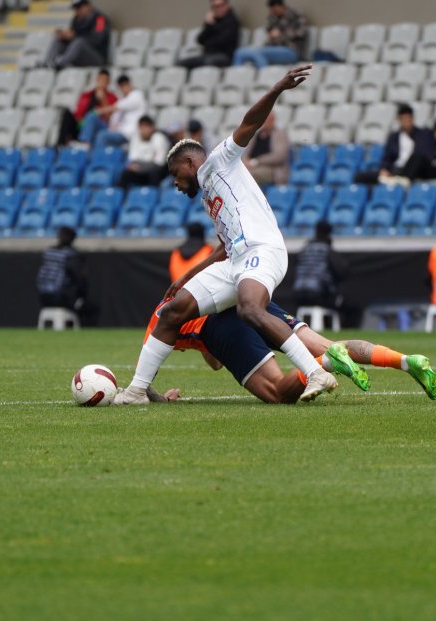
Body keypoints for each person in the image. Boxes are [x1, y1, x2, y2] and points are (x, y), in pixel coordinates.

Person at [113, 65, 344, 406]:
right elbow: (223, 249)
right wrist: (186, 278)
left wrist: (278, 88)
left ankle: (316, 372)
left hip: (263, 250)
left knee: (250, 309)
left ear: (191, 164)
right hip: (237, 260)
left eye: (176, 175)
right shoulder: (209, 195)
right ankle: (136, 392)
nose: (176, 184)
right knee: (173, 312)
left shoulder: (220, 161)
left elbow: (250, 123)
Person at [141, 300, 436, 404]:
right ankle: (404, 360)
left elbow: (144, 387)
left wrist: (161, 399)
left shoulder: (160, 323)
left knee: (275, 393)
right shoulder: (194, 288)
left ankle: (325, 364)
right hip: (249, 299)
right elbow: (216, 362)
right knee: (326, 342)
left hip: (219, 325)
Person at [353, 105, 429, 185]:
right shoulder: (394, 137)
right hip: (394, 170)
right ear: (399, 119)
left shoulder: (422, 135)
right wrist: (384, 169)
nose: (406, 121)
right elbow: (387, 157)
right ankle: (393, 181)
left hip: (411, 170)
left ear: (412, 119)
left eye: (408, 118)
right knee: (359, 177)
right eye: (404, 119)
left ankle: (400, 181)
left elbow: (423, 155)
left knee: (417, 158)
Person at [232, 0, 308, 69]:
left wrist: (280, 35)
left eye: (275, 10)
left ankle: (263, 76)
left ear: (281, 6)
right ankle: (237, 79)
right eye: (271, 10)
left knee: (258, 53)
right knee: (239, 52)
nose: (273, 12)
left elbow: (300, 33)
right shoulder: (272, 17)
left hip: (291, 50)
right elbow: (269, 32)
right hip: (271, 48)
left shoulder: (296, 15)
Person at [36, 227, 89, 323]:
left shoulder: (48, 252)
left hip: (42, 297)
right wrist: (82, 296)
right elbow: (79, 279)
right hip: (61, 298)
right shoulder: (71, 255)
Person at [77, 75, 147, 147]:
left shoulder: (137, 95)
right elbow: (112, 117)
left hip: (127, 134)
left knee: (102, 135)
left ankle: (97, 156)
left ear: (130, 84)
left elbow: (116, 107)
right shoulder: (122, 100)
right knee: (91, 116)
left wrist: (99, 110)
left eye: (125, 85)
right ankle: (85, 144)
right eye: (121, 86)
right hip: (115, 130)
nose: (124, 88)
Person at [293, 221, 348, 309]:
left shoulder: (303, 250)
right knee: (350, 310)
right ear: (329, 234)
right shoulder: (328, 251)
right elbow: (342, 273)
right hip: (320, 296)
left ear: (315, 232)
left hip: (298, 296)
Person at [43, 0, 111, 70]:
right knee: (59, 40)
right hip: (78, 55)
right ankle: (48, 63)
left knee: (79, 42)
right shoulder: (76, 19)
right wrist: (65, 36)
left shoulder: (100, 19)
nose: (77, 11)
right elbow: (73, 35)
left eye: (79, 7)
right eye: (75, 8)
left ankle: (60, 65)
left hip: (97, 56)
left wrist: (74, 37)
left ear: (88, 6)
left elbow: (97, 39)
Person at [58, 69, 117, 145]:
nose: (102, 82)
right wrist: (81, 121)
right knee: (67, 114)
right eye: (100, 80)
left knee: (91, 115)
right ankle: (60, 145)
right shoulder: (86, 95)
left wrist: (103, 100)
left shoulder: (112, 97)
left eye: (104, 81)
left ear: (108, 82)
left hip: (99, 126)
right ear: (97, 80)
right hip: (83, 125)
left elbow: (111, 119)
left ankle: (85, 143)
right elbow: (78, 114)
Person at [178, 0, 241, 69]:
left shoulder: (232, 21)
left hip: (225, 56)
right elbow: (200, 40)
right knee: (181, 63)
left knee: (207, 63)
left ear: (227, 5)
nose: (218, 9)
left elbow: (222, 42)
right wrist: (209, 25)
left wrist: (209, 38)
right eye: (215, 7)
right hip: (207, 55)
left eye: (220, 6)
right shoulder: (212, 21)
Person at [119, 116, 170, 189]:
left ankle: (153, 196)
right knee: (125, 174)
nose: (144, 130)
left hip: (158, 171)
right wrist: (138, 166)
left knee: (154, 174)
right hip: (141, 170)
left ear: (152, 127)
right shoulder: (135, 138)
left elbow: (159, 163)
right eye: (141, 127)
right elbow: (133, 159)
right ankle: (122, 197)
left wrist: (140, 168)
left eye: (146, 127)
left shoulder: (160, 138)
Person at [242, 113, 289, 185]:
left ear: (272, 121)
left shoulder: (279, 135)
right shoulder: (256, 134)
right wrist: (246, 161)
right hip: (252, 166)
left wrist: (256, 162)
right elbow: (246, 152)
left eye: (265, 120)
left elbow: (279, 156)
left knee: (249, 175)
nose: (263, 122)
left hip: (271, 169)